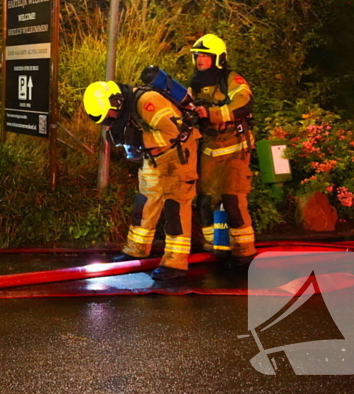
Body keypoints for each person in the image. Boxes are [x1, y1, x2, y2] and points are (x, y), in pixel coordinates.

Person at [83, 68, 201, 281]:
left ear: (116, 101)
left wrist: (138, 139)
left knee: (175, 207)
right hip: (154, 156)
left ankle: (175, 263)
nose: (110, 118)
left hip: (178, 156)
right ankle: (135, 250)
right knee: (144, 202)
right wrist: (134, 144)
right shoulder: (124, 108)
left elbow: (172, 133)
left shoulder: (149, 102)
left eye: (109, 114)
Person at [187, 34, 256, 265]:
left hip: (234, 146)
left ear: (218, 58)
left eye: (205, 56)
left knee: (232, 199)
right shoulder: (195, 84)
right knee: (206, 199)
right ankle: (217, 245)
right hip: (209, 148)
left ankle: (244, 252)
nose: (200, 60)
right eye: (198, 56)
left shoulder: (231, 79)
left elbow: (244, 102)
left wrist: (213, 113)